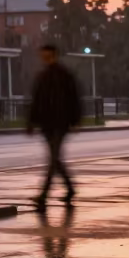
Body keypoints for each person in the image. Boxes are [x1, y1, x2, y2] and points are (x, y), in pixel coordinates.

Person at [27, 44, 82, 208]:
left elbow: (74, 99)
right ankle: (70, 189)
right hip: (47, 124)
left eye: (46, 55)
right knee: (55, 160)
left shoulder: (64, 75)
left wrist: (75, 121)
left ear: (53, 55)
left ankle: (43, 195)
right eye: (42, 55)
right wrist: (31, 122)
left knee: (54, 159)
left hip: (60, 123)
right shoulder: (43, 76)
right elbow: (37, 102)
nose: (44, 57)